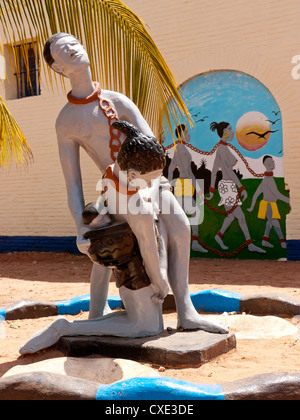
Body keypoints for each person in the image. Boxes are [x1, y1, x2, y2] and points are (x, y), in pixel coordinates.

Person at [40, 32, 228, 334]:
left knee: (179, 226)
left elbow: (151, 143)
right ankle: (101, 310)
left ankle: (186, 310)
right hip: (116, 190)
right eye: (63, 49)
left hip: (148, 179)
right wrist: (80, 227)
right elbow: (72, 182)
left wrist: (153, 180)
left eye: (74, 43)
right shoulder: (66, 121)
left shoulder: (118, 101)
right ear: (58, 68)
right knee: (112, 244)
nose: (73, 49)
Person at [20, 122, 228, 354]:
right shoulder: (138, 209)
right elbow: (150, 248)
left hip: (125, 257)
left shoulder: (112, 173)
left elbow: (144, 240)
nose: (153, 186)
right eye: (150, 181)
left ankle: (96, 315)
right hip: (135, 269)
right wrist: (160, 281)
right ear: (133, 175)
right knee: (146, 327)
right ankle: (67, 327)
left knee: (175, 224)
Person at [207, 121, 265, 254]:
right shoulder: (222, 149)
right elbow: (228, 171)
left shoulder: (222, 148)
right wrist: (241, 187)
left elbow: (215, 170)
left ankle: (219, 236)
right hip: (227, 187)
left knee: (232, 216)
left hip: (227, 186)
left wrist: (212, 189)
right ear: (225, 132)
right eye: (230, 129)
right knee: (241, 216)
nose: (232, 131)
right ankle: (249, 243)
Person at [167, 124, 207, 254]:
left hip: (181, 184)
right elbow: (189, 173)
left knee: (181, 214)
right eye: (187, 132)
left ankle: (175, 243)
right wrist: (199, 190)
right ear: (181, 134)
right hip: (184, 184)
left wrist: (169, 184)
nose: (189, 134)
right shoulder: (182, 151)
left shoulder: (178, 148)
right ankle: (192, 242)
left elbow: (171, 168)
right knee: (194, 213)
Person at [247, 155, 290, 249]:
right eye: (271, 161)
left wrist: (252, 206)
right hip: (268, 206)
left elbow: (255, 195)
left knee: (270, 223)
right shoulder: (267, 180)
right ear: (266, 164)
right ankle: (283, 242)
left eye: (273, 161)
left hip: (271, 205)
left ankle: (264, 241)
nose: (273, 163)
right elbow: (277, 194)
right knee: (275, 222)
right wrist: (289, 200)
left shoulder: (267, 179)